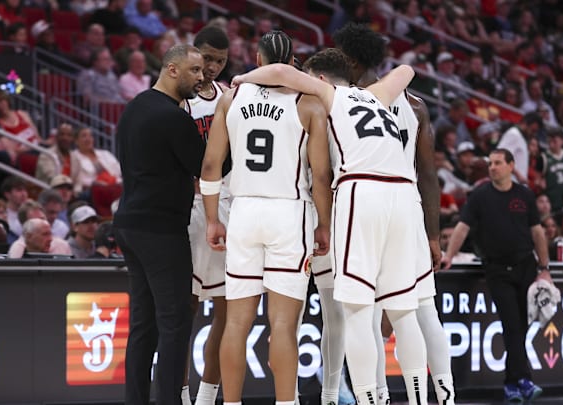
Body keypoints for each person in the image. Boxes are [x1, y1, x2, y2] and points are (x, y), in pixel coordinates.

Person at [231, 49, 428, 405]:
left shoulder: (328, 94)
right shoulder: (377, 95)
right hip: (403, 197)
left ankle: (367, 399)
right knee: (403, 312)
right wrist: (384, 84)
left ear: (320, 80)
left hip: (361, 189)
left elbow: (280, 71)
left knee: (355, 312)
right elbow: (407, 69)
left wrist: (244, 79)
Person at [200, 31, 332, 405]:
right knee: (285, 324)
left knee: (236, 323)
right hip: (289, 213)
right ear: (292, 63)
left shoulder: (231, 97)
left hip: (243, 211)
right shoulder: (308, 103)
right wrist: (324, 223)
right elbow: (321, 176)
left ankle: (231, 402)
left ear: (257, 60)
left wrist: (213, 219)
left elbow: (211, 166)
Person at [333, 21, 452, 405]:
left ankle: (376, 397)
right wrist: (433, 236)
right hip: (407, 210)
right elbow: (429, 176)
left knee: (363, 312)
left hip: (364, 202)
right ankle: (443, 398)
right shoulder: (414, 105)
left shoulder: (345, 99)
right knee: (421, 311)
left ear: (350, 59)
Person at [113, 44, 205, 405]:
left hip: (130, 223)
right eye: (194, 71)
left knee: (144, 327)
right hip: (160, 229)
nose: (201, 78)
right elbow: (207, 166)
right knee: (175, 324)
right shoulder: (174, 117)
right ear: (171, 70)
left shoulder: (134, 107)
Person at [441, 148, 553, 402]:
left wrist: (544, 268)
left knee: (521, 327)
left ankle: (515, 383)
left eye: (498, 163)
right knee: (512, 325)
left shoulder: (524, 195)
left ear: (511, 166)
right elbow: (461, 227)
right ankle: (519, 382)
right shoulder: (480, 196)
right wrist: (449, 255)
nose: (492, 167)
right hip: (497, 269)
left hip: (525, 266)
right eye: (490, 163)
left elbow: (537, 232)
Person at [179, 25, 229, 405]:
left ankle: (208, 396)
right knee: (185, 310)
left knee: (228, 309)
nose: (211, 67)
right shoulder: (179, 99)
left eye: (219, 60)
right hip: (192, 206)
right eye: (207, 58)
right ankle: (179, 393)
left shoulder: (230, 95)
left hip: (229, 202)